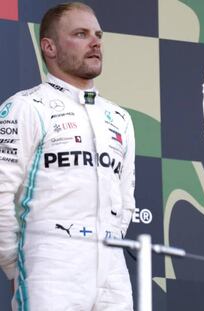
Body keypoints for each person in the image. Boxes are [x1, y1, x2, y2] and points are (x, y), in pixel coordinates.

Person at [0, 2, 135, 310]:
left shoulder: (120, 118)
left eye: (98, 35)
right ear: (49, 46)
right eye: (81, 34)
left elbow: (125, 200)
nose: (95, 42)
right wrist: (14, 262)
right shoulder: (25, 107)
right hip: (51, 265)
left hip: (113, 269)